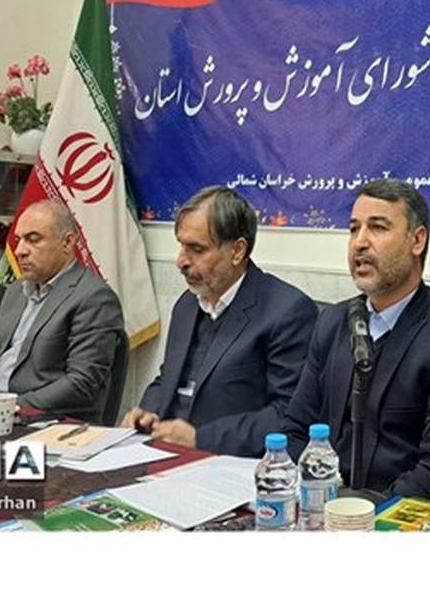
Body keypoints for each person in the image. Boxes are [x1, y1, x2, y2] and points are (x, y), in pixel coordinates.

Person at [281, 179, 430, 505]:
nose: (360, 243)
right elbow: (295, 431)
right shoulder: (332, 324)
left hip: (391, 517)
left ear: (417, 240)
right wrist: (317, 498)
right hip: (321, 507)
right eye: (354, 229)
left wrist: (356, 515)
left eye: (378, 228)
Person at [122, 186, 318, 456]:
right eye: (181, 246)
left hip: (231, 462)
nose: (181, 261)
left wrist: (201, 439)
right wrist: (147, 413)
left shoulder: (288, 312)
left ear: (237, 251)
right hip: (164, 454)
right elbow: (169, 378)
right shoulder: (186, 304)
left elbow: (288, 415)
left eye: (197, 249)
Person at [0, 199, 124, 414]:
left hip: (39, 417)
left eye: (33, 239)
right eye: (18, 240)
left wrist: (8, 408)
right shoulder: (17, 290)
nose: (19, 251)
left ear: (68, 242)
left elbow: (82, 382)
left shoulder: (94, 298)